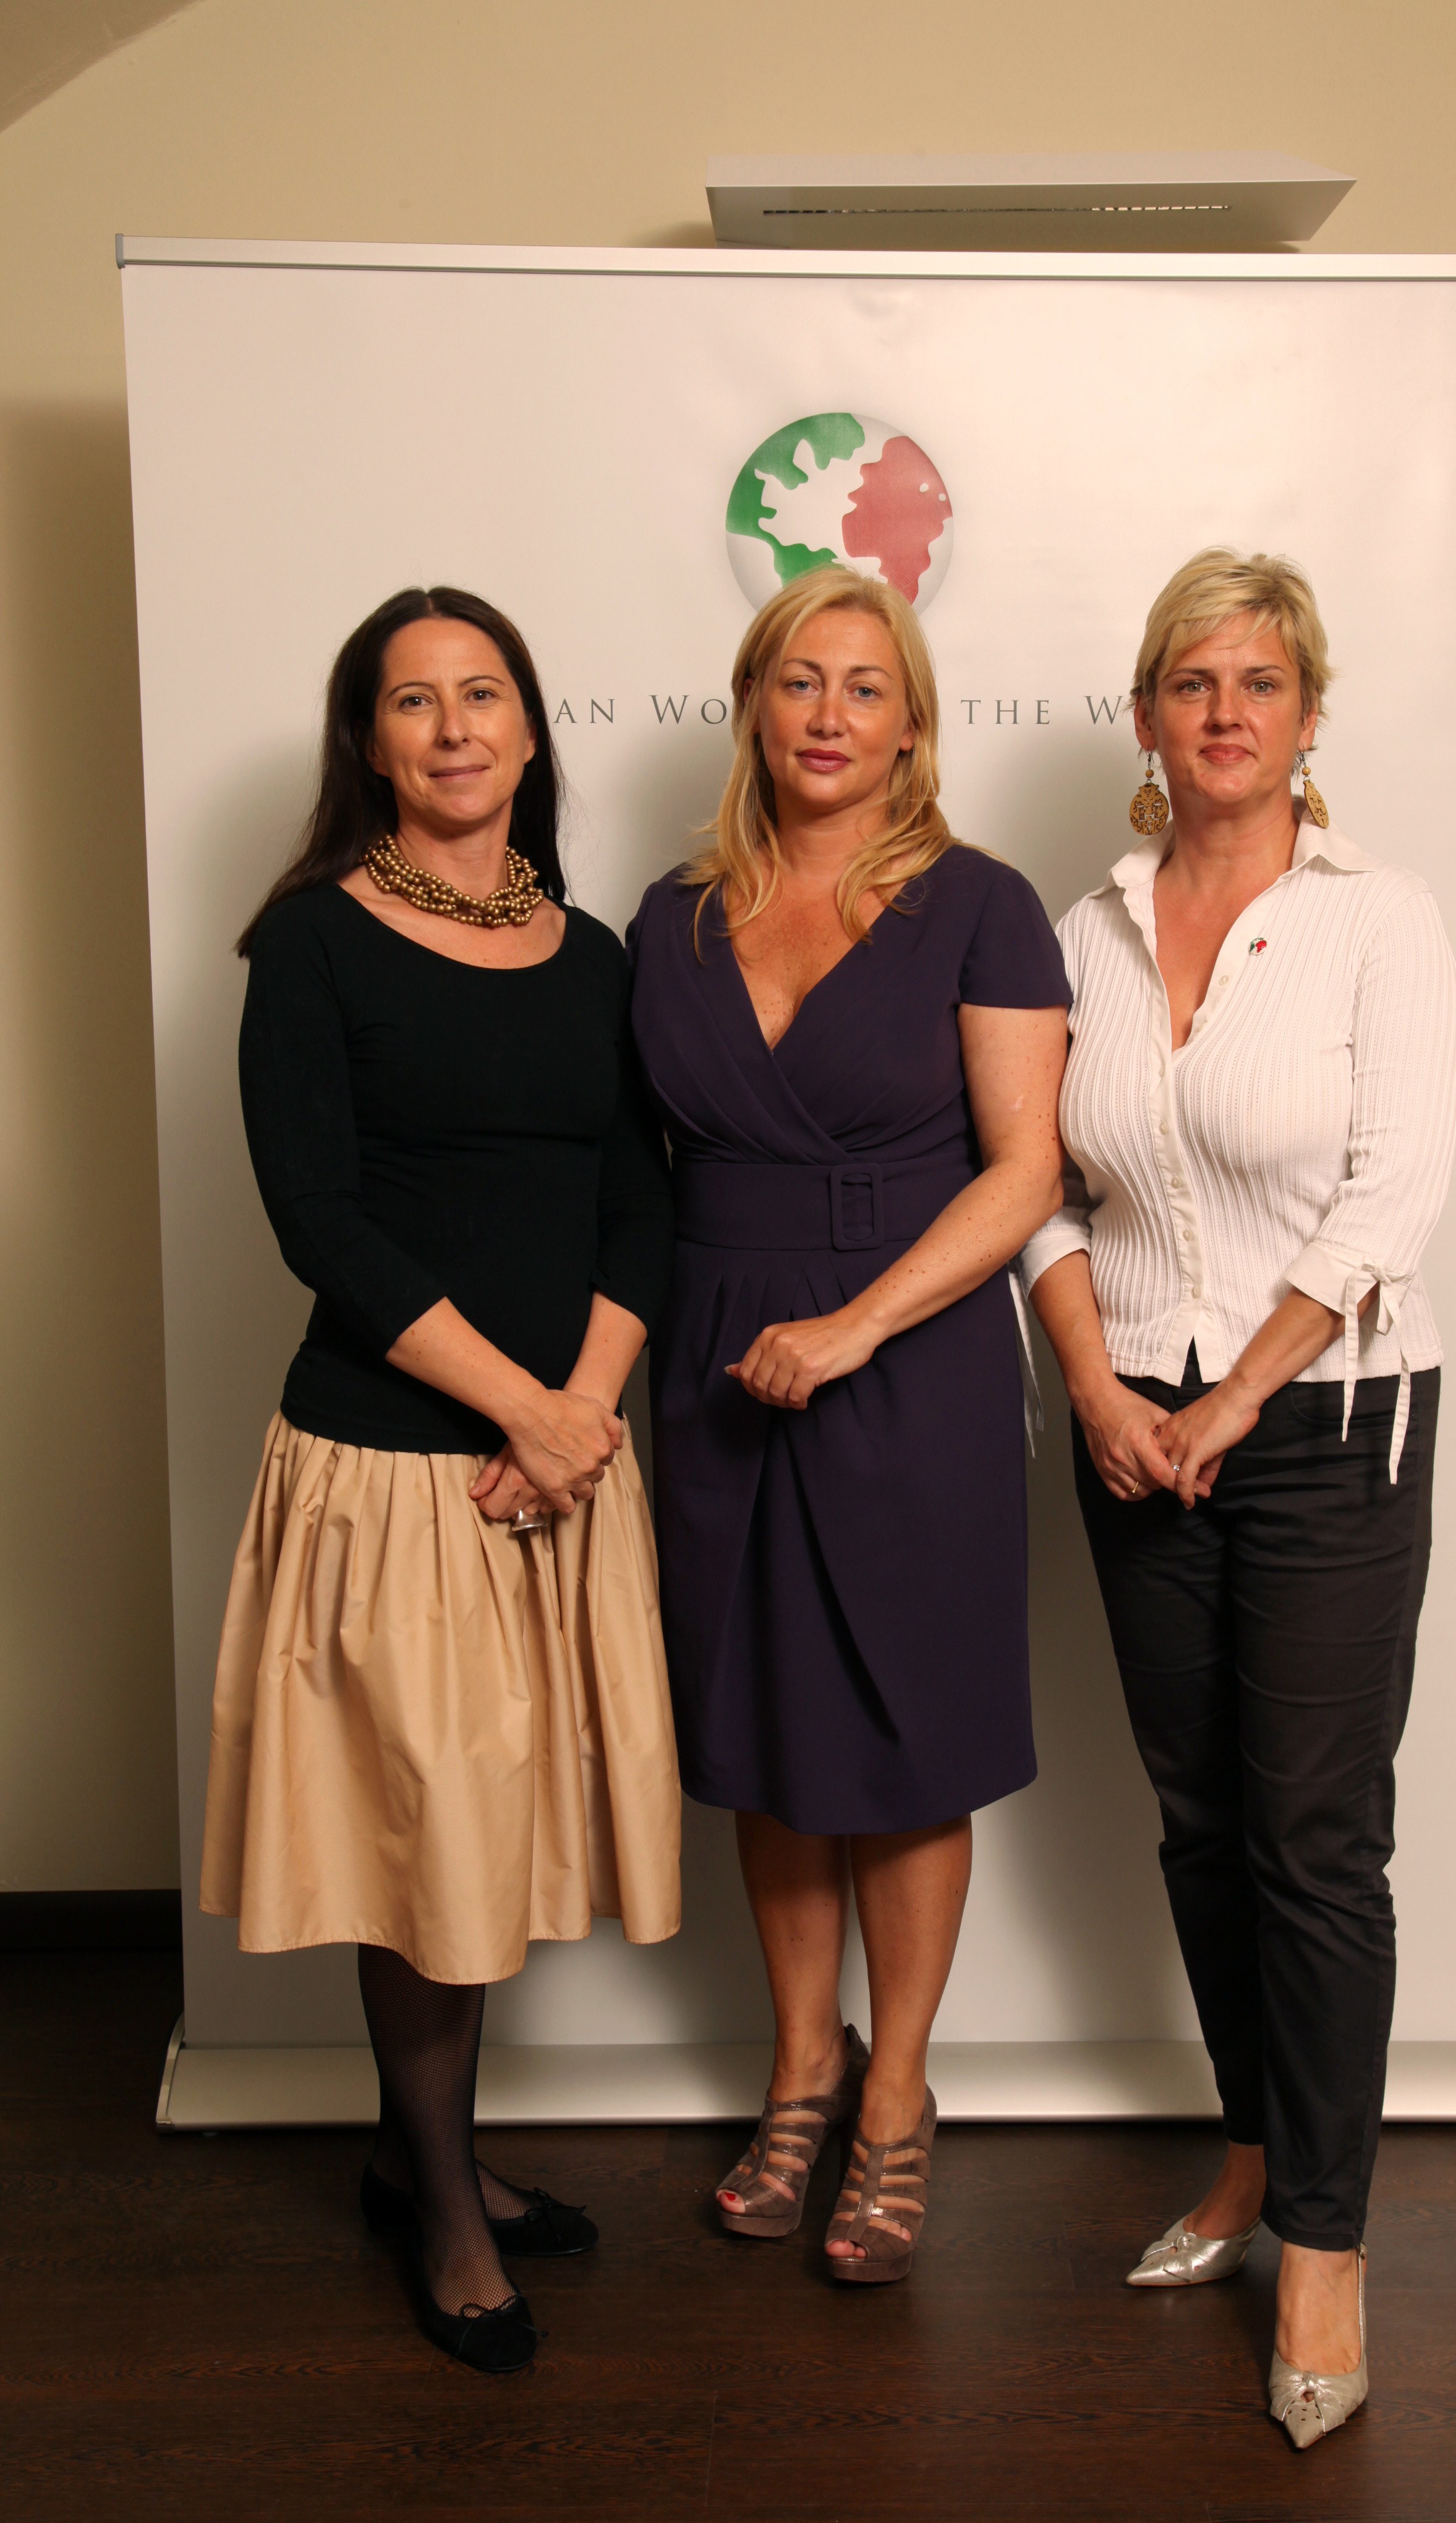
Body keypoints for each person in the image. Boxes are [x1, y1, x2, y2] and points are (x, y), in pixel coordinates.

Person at [201, 586, 680, 2372]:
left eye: (485, 695)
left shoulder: (597, 953)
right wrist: (520, 1412)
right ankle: (447, 2214)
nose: (456, 727)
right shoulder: (310, 945)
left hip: (559, 1464)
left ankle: (423, 2158)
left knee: (493, 1832)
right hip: (397, 1470)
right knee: (426, 1845)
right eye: (416, 701)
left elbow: (642, 1197)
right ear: (370, 742)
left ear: (532, 730)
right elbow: (319, 1220)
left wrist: (584, 1407)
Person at [1025, 550, 1456, 2447]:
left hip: (1329, 1424)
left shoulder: (1380, 919)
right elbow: (1035, 1181)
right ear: (1146, 717)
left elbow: (1392, 1195)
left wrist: (1237, 1397)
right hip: (1133, 1422)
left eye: (1260, 682)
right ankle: (1249, 2152)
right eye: (1192, 681)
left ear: (1306, 715)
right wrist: (1095, 1385)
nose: (1225, 711)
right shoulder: (1084, 930)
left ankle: (1328, 2244)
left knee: (1314, 1836)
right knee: (1203, 1823)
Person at [628, 566, 1068, 2284]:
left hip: (912, 1356)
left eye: (864, 687)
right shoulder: (671, 918)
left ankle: (897, 2095)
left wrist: (858, 1324)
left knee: (905, 1735)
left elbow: (1024, 1168)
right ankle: (801, 2068)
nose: (828, 714)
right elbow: (631, 1172)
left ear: (911, 723)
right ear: (754, 706)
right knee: (768, 1731)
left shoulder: (983, 905)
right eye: (799, 680)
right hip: (715, 1360)